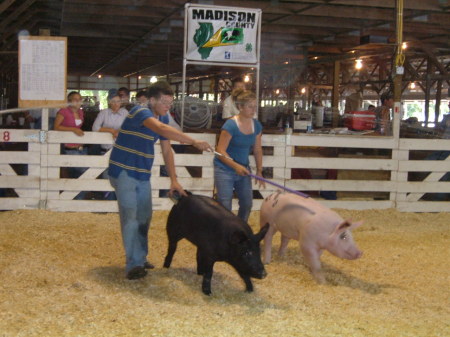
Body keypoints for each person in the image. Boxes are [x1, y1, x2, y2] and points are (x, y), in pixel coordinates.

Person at [108, 81, 212, 280]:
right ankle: (133, 264)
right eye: (164, 102)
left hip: (141, 173)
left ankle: (140, 257)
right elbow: (161, 129)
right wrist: (193, 141)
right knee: (130, 216)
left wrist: (174, 179)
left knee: (145, 216)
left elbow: (166, 149)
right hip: (122, 171)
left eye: (170, 103)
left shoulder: (162, 116)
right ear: (152, 100)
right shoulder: (140, 112)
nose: (167, 106)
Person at [214, 89, 265, 222]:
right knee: (225, 204)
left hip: (243, 169)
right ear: (240, 107)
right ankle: (225, 234)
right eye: (250, 106)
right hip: (224, 169)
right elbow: (220, 151)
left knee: (247, 203)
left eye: (255, 106)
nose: (253, 109)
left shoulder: (257, 126)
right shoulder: (230, 125)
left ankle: (240, 229)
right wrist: (235, 166)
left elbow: (257, 149)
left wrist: (259, 170)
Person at [54, 91, 87, 199]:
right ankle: (74, 199)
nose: (78, 102)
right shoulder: (63, 111)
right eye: (75, 99)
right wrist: (73, 129)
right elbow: (56, 127)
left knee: (78, 174)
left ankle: (75, 199)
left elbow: (79, 128)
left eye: (80, 99)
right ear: (69, 101)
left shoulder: (81, 112)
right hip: (67, 147)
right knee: (84, 172)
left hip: (79, 147)